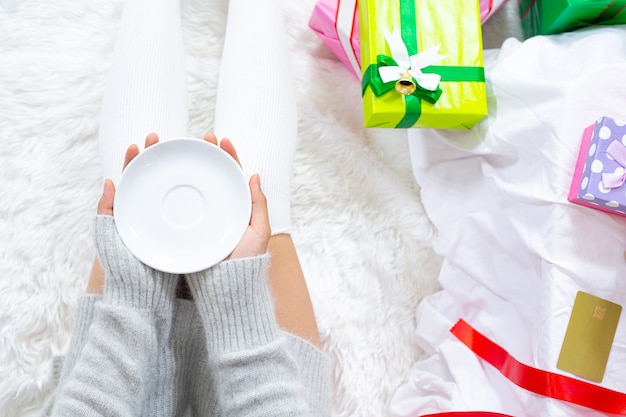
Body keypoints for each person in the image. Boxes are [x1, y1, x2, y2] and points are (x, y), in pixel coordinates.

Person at [41, 0, 330, 415]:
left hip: (118, 382)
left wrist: (132, 300)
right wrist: (238, 304)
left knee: (136, 184)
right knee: (257, 192)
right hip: (265, 382)